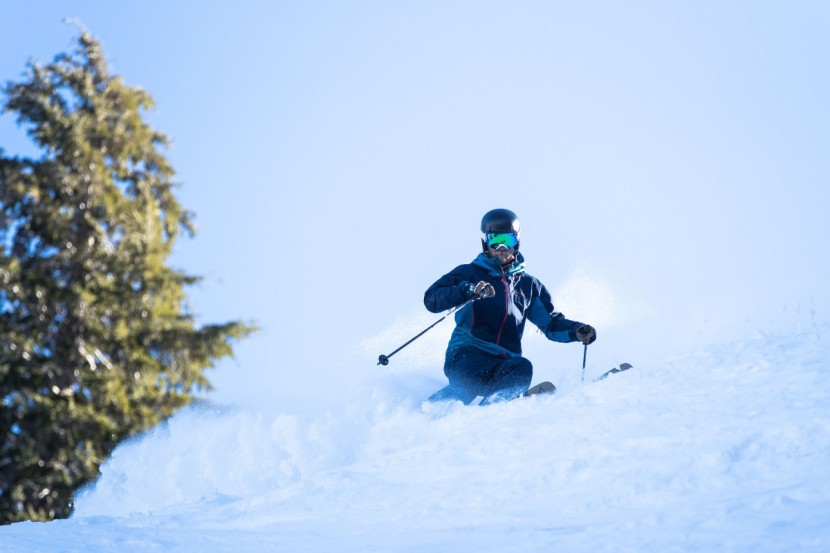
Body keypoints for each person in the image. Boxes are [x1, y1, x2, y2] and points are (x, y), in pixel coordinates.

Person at [424, 208, 596, 405]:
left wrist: (576, 331)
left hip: (503, 363)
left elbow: (551, 324)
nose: (502, 247)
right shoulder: (469, 274)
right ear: (485, 244)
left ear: (517, 243)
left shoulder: (529, 286)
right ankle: (429, 411)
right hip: (467, 354)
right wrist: (467, 290)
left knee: (522, 368)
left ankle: (496, 407)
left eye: (508, 240)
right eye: (495, 240)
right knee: (470, 380)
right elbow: (432, 299)